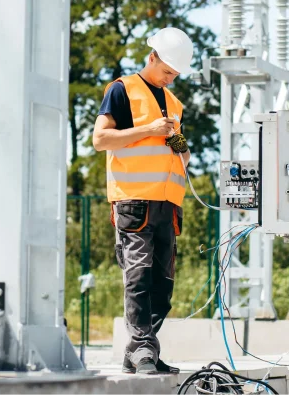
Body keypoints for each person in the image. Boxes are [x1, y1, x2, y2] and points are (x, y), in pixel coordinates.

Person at [92, 27, 193, 375]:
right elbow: (101, 139)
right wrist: (149, 130)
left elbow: (184, 155)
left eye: (175, 75)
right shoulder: (122, 90)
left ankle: (139, 349)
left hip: (167, 205)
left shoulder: (174, 104)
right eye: (166, 71)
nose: (169, 79)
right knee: (138, 277)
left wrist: (177, 143)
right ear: (152, 57)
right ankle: (142, 350)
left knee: (162, 286)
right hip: (134, 202)